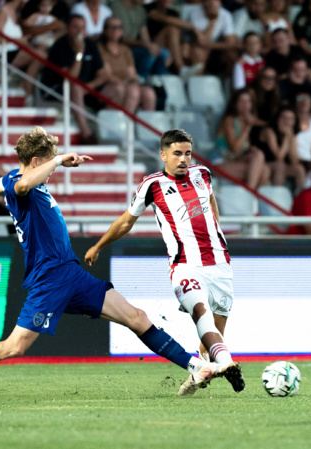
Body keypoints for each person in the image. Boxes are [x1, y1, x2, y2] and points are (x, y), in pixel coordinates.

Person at [0, 127, 239, 401]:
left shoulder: (12, 178)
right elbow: (20, 184)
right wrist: (60, 160)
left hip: (72, 274)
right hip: (49, 280)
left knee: (136, 318)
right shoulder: (21, 185)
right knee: (14, 347)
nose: (53, 169)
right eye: (49, 161)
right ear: (38, 161)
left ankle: (195, 366)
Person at [84, 129, 245, 396]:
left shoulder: (202, 174)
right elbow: (126, 221)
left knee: (213, 333)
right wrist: (99, 245)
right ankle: (227, 362)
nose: (184, 159)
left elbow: (211, 200)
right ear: (163, 155)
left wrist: (218, 231)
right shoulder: (152, 185)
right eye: (177, 154)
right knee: (199, 312)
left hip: (220, 264)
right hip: (185, 265)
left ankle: (198, 373)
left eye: (188, 154)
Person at [41, 14, 108, 144]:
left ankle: (111, 135)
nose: (79, 32)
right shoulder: (59, 46)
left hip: (84, 88)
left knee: (117, 90)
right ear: (67, 29)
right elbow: (71, 78)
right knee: (76, 87)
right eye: (75, 27)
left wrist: (88, 87)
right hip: (56, 88)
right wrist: (79, 53)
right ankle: (87, 134)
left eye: (82, 28)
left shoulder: (90, 44)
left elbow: (103, 74)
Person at [0, 0, 46, 99]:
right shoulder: (3, 12)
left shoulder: (16, 12)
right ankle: (27, 92)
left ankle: (25, 88)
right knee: (39, 55)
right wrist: (18, 41)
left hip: (13, 51)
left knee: (42, 54)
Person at [97, 17, 156, 112]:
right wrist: (128, 85)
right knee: (131, 91)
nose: (115, 30)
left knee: (149, 93)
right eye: (112, 27)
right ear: (105, 30)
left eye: (118, 27)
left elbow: (132, 74)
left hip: (125, 84)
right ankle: (125, 124)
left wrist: (133, 82)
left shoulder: (125, 50)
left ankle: (144, 125)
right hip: (107, 86)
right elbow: (107, 75)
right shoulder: (99, 49)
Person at [213, 89, 268, 189]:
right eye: (242, 101)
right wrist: (248, 127)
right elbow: (234, 148)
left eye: (248, 101)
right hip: (220, 162)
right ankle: (250, 194)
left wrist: (250, 149)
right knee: (262, 171)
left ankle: (250, 197)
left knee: (261, 161)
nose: (245, 104)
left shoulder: (245, 121)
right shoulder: (229, 120)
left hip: (235, 161)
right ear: (235, 103)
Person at [110, 0, 170, 80]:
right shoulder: (116, 7)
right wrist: (146, 45)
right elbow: (119, 38)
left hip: (135, 47)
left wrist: (152, 46)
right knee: (149, 54)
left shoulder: (140, 10)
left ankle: (159, 84)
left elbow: (145, 36)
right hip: (121, 48)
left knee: (164, 53)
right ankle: (141, 80)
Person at [145, 0, 203, 79]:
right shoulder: (149, 8)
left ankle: (186, 72)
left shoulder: (173, 13)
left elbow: (179, 31)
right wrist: (194, 27)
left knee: (180, 38)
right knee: (172, 28)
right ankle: (181, 68)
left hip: (168, 47)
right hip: (152, 43)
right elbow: (167, 19)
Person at [252, 106, 304, 187]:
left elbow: (294, 161)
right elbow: (279, 157)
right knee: (280, 165)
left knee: (299, 169)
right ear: (277, 119)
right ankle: (277, 195)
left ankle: (300, 196)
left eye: (290, 119)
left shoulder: (291, 135)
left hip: (277, 166)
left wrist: (290, 139)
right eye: (284, 118)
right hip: (263, 165)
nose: (287, 122)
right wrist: (287, 138)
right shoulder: (269, 131)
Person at [185, 0, 237, 76]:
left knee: (232, 55)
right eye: (209, 0)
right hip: (197, 48)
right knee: (199, 51)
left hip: (215, 49)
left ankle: (227, 83)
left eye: (215, 0)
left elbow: (231, 43)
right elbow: (201, 41)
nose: (212, 3)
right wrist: (213, 22)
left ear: (220, 3)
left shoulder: (226, 15)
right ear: (204, 3)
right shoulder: (195, 12)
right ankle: (197, 82)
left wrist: (208, 45)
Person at [292, 85, 311, 168]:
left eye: (307, 98)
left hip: (310, 164)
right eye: (300, 98)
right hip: (294, 162)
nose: (304, 102)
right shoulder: (289, 120)